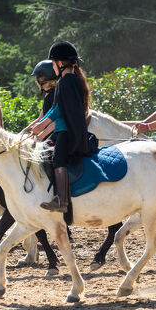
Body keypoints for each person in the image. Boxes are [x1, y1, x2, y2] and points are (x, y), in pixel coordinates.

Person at [30, 41, 97, 213]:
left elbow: (59, 110)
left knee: (59, 159)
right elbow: (55, 109)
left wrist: (43, 125)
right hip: (63, 129)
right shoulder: (68, 80)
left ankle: (61, 199)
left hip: (66, 132)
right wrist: (41, 124)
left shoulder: (66, 81)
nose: (52, 67)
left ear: (60, 63)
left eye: (53, 63)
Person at [22, 60, 57, 141]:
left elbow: (53, 121)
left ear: (42, 80)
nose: (36, 82)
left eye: (37, 79)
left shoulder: (53, 96)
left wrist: (40, 136)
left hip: (52, 135)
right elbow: (40, 118)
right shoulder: (47, 95)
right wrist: (24, 131)